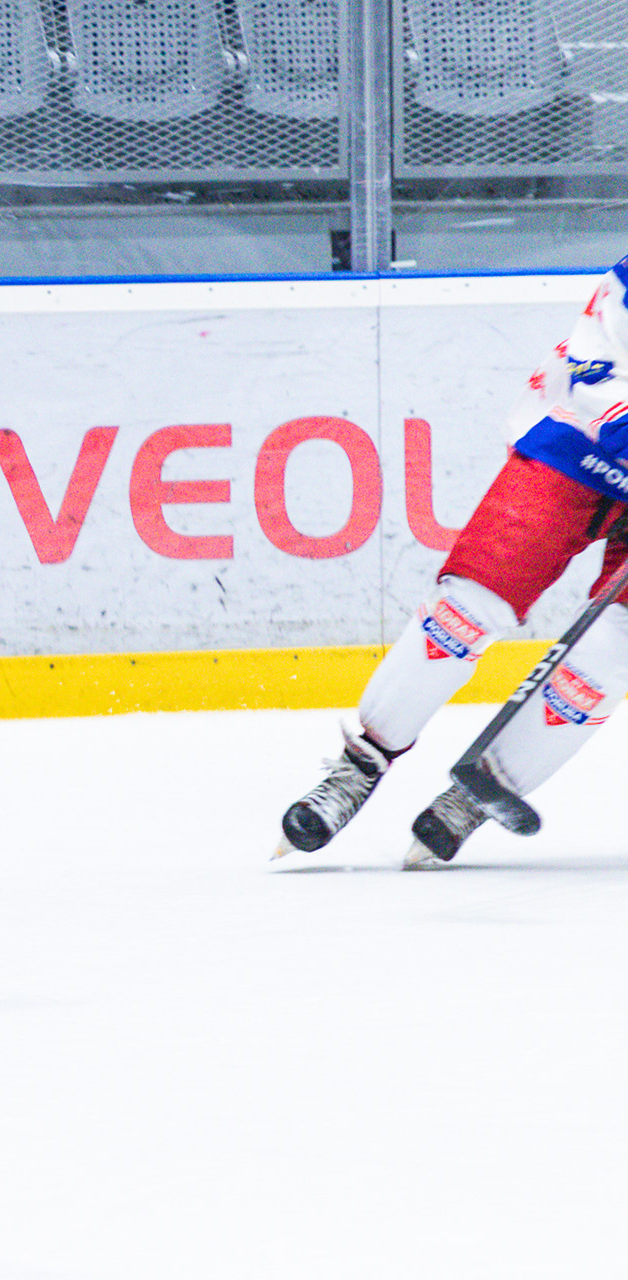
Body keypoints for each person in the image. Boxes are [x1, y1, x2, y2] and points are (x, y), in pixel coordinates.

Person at [278, 255, 628, 868]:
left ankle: (477, 794)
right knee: (469, 605)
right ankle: (363, 763)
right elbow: (599, 367)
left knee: (614, 649)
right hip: (579, 446)